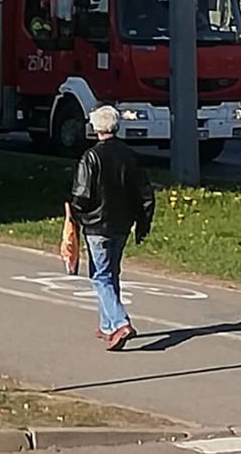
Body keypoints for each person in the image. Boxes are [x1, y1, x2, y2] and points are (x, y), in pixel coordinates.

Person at [68, 105, 154, 352]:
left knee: (100, 276)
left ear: (95, 128)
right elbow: (146, 193)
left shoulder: (91, 157)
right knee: (111, 273)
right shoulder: (130, 156)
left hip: (96, 225)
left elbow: (82, 195)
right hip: (123, 223)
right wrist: (143, 222)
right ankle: (107, 324)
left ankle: (120, 322)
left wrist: (74, 215)